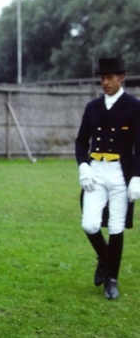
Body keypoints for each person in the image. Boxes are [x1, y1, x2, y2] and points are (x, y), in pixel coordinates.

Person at [75, 57, 140, 300]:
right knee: (90, 224)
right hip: (96, 171)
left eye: (110, 77)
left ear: (121, 78)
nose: (105, 82)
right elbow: (81, 140)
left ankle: (111, 279)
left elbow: (139, 145)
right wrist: (83, 165)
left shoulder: (134, 106)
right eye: (102, 78)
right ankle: (105, 259)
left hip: (120, 174)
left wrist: (137, 177)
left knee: (115, 226)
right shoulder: (92, 107)